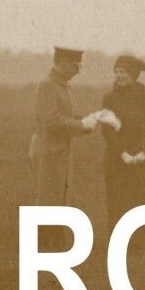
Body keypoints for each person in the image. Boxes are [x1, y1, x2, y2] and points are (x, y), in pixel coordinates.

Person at [100, 54, 145, 227]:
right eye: (117, 72)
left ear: (134, 74)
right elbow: (107, 131)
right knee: (117, 201)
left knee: (142, 200)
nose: (120, 75)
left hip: (142, 158)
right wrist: (123, 153)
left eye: (124, 72)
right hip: (116, 158)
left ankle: (143, 242)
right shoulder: (109, 98)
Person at [30, 46, 96, 206]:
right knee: (48, 205)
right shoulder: (47, 85)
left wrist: (84, 123)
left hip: (58, 154)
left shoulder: (62, 85)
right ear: (64, 63)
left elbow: (63, 117)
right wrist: (80, 125)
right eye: (75, 66)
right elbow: (51, 121)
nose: (77, 71)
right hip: (48, 155)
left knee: (58, 204)